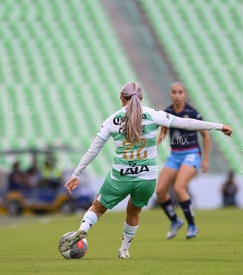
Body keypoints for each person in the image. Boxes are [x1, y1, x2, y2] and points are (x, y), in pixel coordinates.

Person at [58, 82, 232, 259]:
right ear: (141, 98)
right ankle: (124, 250)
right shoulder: (153, 114)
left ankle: (82, 230)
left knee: (97, 207)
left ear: (121, 99)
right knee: (134, 212)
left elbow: (93, 150)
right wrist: (218, 126)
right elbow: (186, 123)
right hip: (147, 178)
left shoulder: (112, 120)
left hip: (120, 177)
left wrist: (76, 175)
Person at [155, 82, 211, 239]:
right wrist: (154, 145)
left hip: (191, 153)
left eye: (180, 92)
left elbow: (206, 135)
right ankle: (175, 221)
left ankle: (192, 225)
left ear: (184, 94)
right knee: (160, 191)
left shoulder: (191, 112)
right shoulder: (168, 112)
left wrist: (205, 160)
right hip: (175, 155)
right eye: (174, 92)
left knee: (179, 188)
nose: (177, 95)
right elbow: (162, 133)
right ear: (170, 94)